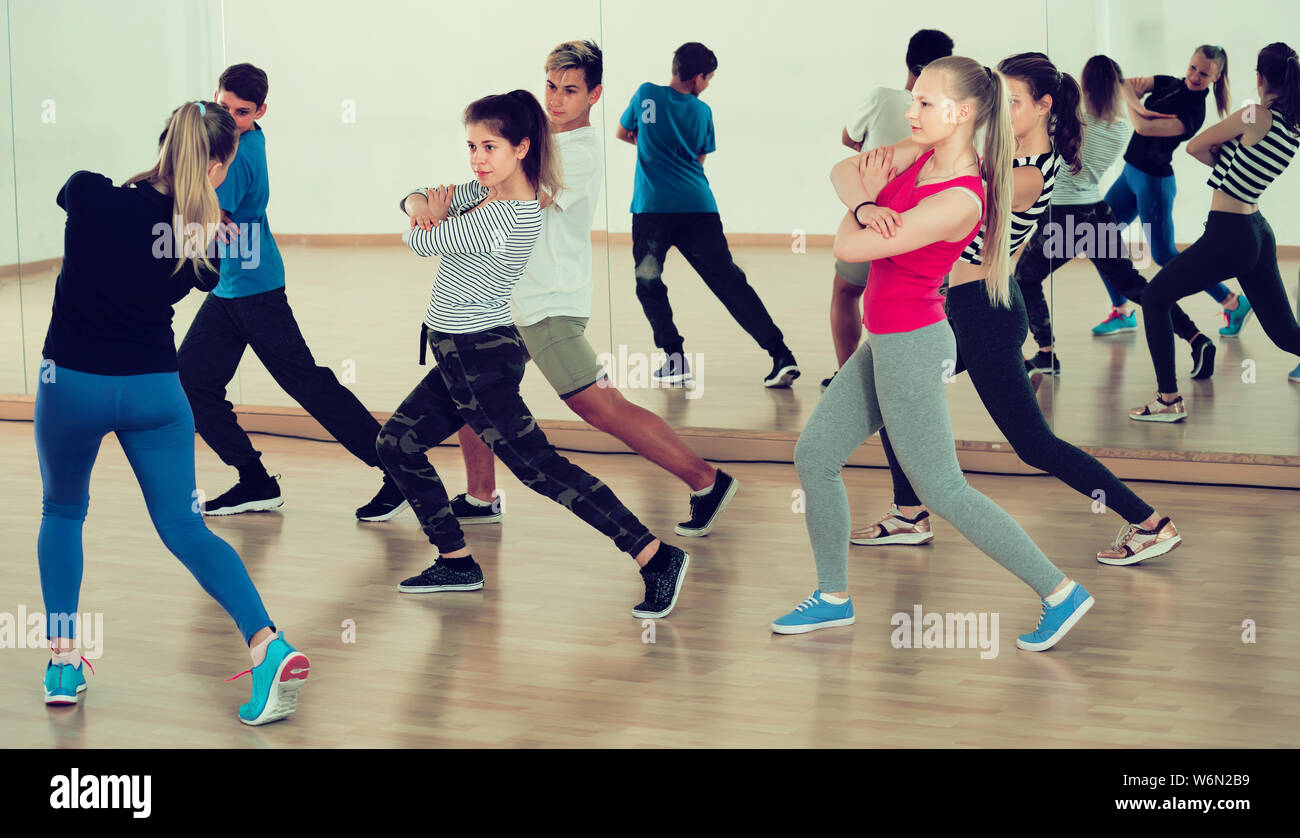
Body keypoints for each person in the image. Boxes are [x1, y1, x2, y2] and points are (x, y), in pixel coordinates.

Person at [772, 57, 1093, 651]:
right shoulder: (918, 154)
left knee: (942, 489)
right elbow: (844, 171)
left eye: (924, 102)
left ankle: (1058, 590)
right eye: (913, 99)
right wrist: (866, 203)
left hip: (914, 345)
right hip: (886, 339)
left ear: (963, 113)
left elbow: (849, 244)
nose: (910, 111)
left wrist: (859, 215)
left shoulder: (962, 198)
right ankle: (833, 597)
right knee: (815, 454)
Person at [35, 101, 308, 724]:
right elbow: (193, 249)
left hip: (71, 385)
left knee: (62, 510)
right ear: (218, 165)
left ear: (163, 143)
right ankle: (268, 643)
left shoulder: (87, 192)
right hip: (155, 393)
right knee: (185, 530)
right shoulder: (201, 240)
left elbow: (100, 198)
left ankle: (62, 660)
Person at [860, 53, 1182, 568]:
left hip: (985, 313)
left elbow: (948, 203)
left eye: (1012, 103)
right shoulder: (1004, 155)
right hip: (956, 306)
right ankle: (909, 512)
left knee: (1032, 444)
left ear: (1043, 105)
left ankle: (1149, 522)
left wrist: (892, 189)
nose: (1001, 112)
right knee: (896, 394)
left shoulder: (1030, 173)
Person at [379, 90, 690, 619]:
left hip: (480, 359)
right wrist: (419, 206)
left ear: (521, 148)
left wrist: (428, 214)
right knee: (397, 443)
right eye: (472, 146)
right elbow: (412, 199)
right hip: (461, 357)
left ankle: (655, 556)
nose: (477, 158)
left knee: (539, 468)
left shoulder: (509, 216)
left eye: (490, 147)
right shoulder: (482, 196)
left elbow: (421, 244)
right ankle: (456, 561)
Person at [450, 41, 737, 538]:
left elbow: (515, 205)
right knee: (469, 394)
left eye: (570, 90)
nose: (556, 99)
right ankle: (480, 496)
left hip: (547, 303)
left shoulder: (578, 153)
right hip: (506, 299)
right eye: (551, 87)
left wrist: (453, 209)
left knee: (598, 406)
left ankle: (707, 480)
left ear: (595, 95)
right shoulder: (534, 142)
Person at [177, 63, 405, 521]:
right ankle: (255, 481)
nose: (232, 117)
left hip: (254, 288)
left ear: (261, 111)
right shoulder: (235, 141)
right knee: (194, 381)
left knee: (307, 383)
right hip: (231, 287)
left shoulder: (238, 155)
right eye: (224, 107)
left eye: (242, 112)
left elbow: (200, 216)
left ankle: (400, 473)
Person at [1132, 42, 1300, 422]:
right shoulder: (1293, 124)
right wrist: (1231, 156)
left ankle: (1168, 400)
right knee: (1285, 333)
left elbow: (1196, 147)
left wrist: (1225, 153)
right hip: (1258, 230)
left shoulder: (1255, 115)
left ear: (1259, 78)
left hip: (1230, 233)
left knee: (1155, 296)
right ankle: (1167, 399)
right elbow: (1241, 164)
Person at [616, 42, 800, 388]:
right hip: (698, 208)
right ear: (698, 77)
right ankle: (781, 355)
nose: (708, 84)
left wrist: (651, 150)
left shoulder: (646, 94)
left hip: (652, 210)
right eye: (709, 78)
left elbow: (624, 132)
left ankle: (674, 360)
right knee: (729, 282)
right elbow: (698, 159)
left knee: (649, 284)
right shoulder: (702, 112)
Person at [1015, 54, 1213, 376]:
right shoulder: (1120, 129)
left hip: (1065, 218)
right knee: (1133, 285)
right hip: (1097, 213)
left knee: (1025, 278)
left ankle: (1046, 352)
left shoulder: (1065, 122)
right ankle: (1196, 337)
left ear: (1086, 85)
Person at [1091, 45, 1240, 368]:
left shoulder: (1193, 111)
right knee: (1097, 236)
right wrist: (1138, 107)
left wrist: (1140, 115)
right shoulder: (1166, 82)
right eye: (1193, 68)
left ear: (1215, 78)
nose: (1195, 76)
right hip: (1130, 174)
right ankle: (1122, 311)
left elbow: (1145, 129)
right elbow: (1123, 85)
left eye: (1204, 73)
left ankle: (1230, 300)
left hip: (1155, 184)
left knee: (1164, 255)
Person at [824, 28, 954, 390]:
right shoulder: (945, 120)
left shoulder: (883, 97)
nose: (914, 114)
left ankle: (849, 377)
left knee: (847, 291)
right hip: (915, 219)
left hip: (879, 212)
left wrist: (867, 200)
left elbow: (849, 139)